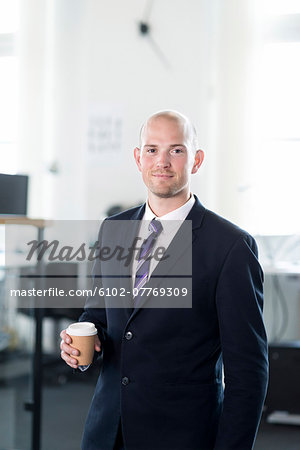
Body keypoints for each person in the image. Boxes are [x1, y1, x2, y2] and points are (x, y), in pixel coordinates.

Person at [60, 110, 268, 450]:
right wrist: (79, 342)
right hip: (106, 431)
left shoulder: (230, 246)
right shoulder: (113, 230)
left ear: (196, 160)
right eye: (152, 149)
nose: (162, 161)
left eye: (176, 150)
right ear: (137, 158)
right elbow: (97, 317)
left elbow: (249, 371)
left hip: (182, 436)